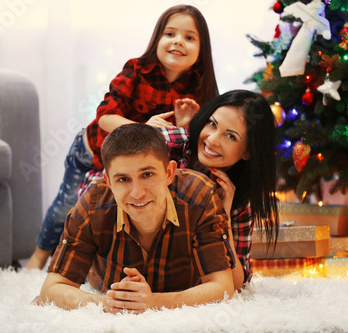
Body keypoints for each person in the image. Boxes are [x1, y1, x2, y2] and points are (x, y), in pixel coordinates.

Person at [26, 4, 218, 269]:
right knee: (66, 205)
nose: (178, 42)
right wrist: (143, 128)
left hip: (133, 165)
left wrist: (185, 125)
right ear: (157, 39)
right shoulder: (137, 69)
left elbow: (186, 142)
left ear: (201, 49)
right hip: (91, 151)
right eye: (170, 34)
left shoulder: (199, 87)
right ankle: (38, 256)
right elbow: (105, 116)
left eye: (189, 37)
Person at [82, 90, 279, 289]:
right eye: (212, 124)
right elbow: (106, 184)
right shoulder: (169, 142)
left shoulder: (237, 198)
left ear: (248, 151)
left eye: (230, 136)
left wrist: (224, 218)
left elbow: (238, 282)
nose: (212, 140)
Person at [37, 123, 234, 313]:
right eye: (123, 179)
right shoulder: (92, 204)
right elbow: (51, 289)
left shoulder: (200, 196)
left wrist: (153, 301)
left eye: (147, 174)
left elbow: (222, 286)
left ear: (169, 173)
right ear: (109, 182)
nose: (137, 193)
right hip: (102, 285)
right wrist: (108, 302)